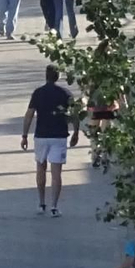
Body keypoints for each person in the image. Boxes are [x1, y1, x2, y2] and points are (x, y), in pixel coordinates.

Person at [22, 64, 79, 215]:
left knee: (40, 168)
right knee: (56, 173)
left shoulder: (38, 93)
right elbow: (74, 114)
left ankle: (41, 203)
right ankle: (54, 206)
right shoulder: (65, 93)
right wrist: (76, 133)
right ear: (58, 76)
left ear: (45, 76)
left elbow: (29, 114)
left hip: (41, 135)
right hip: (59, 135)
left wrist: (24, 135)